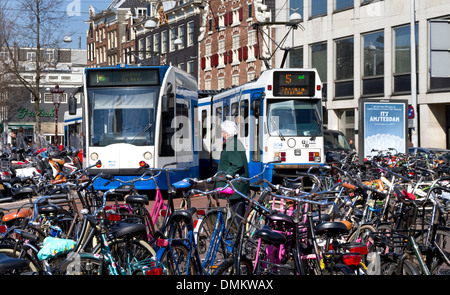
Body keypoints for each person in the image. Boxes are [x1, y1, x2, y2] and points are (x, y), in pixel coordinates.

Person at [214, 120, 250, 223]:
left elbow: (238, 163)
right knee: (239, 213)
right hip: (240, 185)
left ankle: (240, 237)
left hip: (235, 185)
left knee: (237, 215)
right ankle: (240, 235)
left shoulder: (231, 144)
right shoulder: (236, 142)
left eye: (223, 132)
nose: (222, 134)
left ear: (226, 133)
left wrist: (228, 174)